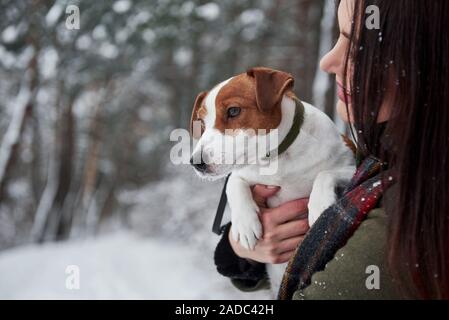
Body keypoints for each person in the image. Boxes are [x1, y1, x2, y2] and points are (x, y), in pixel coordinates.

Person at [214, 0, 449, 300]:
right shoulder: (382, 160)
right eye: (339, 36)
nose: (327, 61)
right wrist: (242, 249)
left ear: (427, 62)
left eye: (359, 47)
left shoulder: (399, 221)